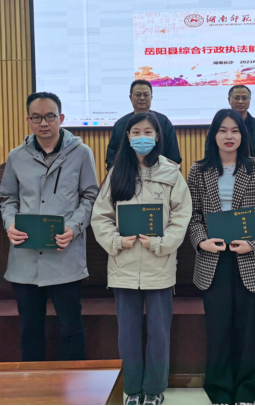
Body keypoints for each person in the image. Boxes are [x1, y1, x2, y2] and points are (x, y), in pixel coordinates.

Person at [92, 112, 191, 406]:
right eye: (136, 132)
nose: (142, 137)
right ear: (128, 136)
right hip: (123, 265)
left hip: (158, 265)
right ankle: (132, 390)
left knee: (159, 333)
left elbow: (181, 216)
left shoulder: (171, 173)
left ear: (158, 136)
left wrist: (161, 244)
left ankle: (155, 390)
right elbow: (101, 216)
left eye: (148, 132)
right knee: (128, 334)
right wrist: (116, 241)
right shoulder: (117, 172)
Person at [0, 91, 99, 362]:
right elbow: (8, 199)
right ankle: (34, 385)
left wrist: (74, 227)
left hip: (64, 255)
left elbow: (90, 197)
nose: (43, 123)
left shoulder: (81, 153)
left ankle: (74, 386)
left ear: (61, 118)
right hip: (26, 258)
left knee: (71, 329)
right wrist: (10, 224)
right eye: (37, 117)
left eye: (50, 116)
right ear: (28, 120)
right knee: (30, 330)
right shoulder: (16, 156)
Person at [187, 109, 255, 405]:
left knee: (249, 330)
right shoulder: (198, 170)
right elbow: (193, 215)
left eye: (235, 130)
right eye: (223, 130)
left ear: (243, 135)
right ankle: (219, 391)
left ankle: (246, 391)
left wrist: (253, 242)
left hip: (249, 257)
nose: (229, 136)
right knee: (219, 327)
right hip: (214, 258)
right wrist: (202, 241)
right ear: (213, 135)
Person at [106, 80, 181, 169]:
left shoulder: (164, 122)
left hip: (161, 174)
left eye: (146, 95)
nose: (142, 98)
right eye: (138, 94)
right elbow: (112, 159)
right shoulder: (120, 125)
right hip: (127, 174)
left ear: (151, 97)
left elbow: (173, 157)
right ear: (130, 98)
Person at [206, 85, 255, 174]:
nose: (240, 102)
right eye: (236, 98)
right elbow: (209, 151)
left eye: (244, 98)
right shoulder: (218, 126)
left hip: (253, 173)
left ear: (250, 100)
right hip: (224, 171)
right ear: (229, 100)